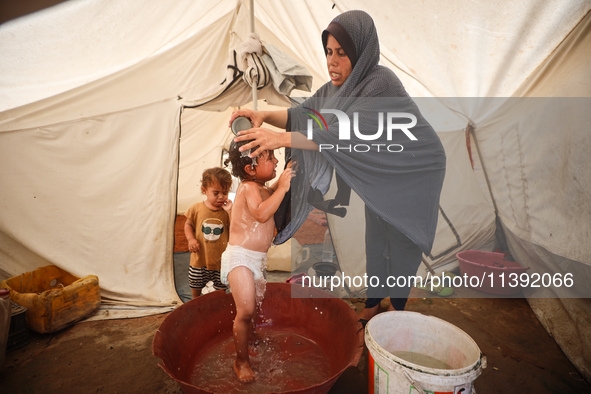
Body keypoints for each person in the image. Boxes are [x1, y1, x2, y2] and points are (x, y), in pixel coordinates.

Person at [231, 11, 446, 325]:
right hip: (380, 173)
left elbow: (339, 136)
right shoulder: (337, 88)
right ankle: (374, 303)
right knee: (375, 236)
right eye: (329, 52)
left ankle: (396, 310)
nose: (332, 61)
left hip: (413, 171)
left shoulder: (379, 83)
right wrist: (263, 115)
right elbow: (305, 115)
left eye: (342, 54)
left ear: (360, 53)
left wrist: (278, 139)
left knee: (402, 240)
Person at [221, 140, 292, 383]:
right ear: (250, 169)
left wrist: (280, 182)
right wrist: (282, 188)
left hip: (255, 259)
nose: (275, 161)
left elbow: (271, 196)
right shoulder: (248, 187)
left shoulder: (262, 187)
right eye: (269, 158)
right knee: (247, 309)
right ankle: (240, 361)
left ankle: (249, 337)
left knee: (252, 306)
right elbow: (261, 214)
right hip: (239, 256)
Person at [184, 167, 233, 298]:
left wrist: (230, 212)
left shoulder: (227, 210)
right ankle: (196, 304)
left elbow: (235, 228)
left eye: (225, 192)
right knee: (196, 285)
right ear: (204, 190)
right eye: (216, 193)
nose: (221, 197)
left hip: (220, 262)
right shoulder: (196, 208)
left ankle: (216, 308)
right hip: (199, 259)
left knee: (220, 290)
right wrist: (191, 239)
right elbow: (188, 224)